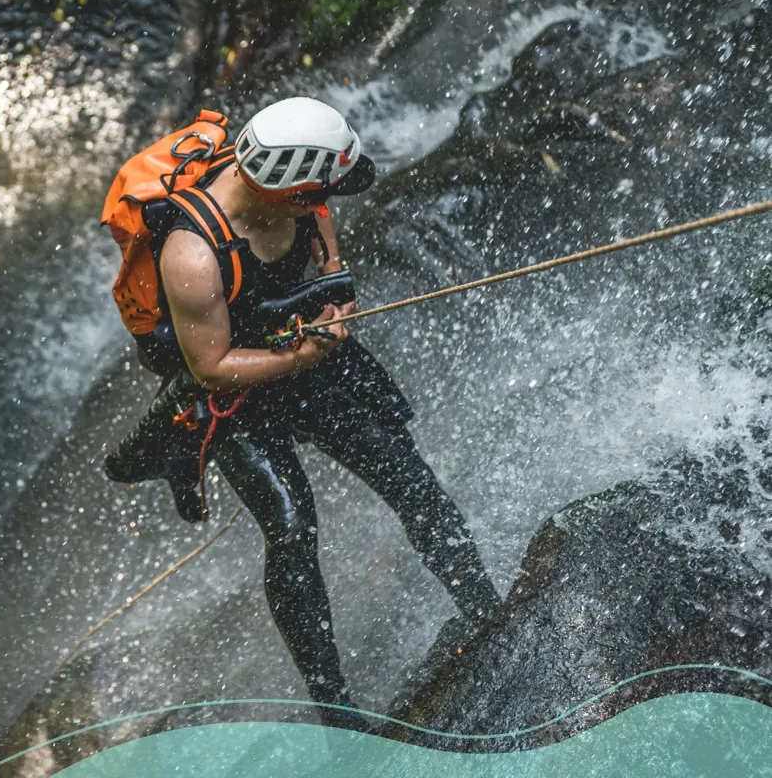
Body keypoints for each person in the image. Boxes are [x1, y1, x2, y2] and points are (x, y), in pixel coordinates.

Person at [105, 97, 501, 721]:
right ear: (284, 188)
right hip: (235, 393)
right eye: (321, 191)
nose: (327, 202)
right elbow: (210, 367)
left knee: (411, 479)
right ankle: (336, 712)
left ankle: (486, 608)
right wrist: (305, 356)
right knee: (291, 528)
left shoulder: (303, 199)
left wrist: (335, 298)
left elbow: (328, 261)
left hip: (301, 353)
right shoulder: (192, 253)